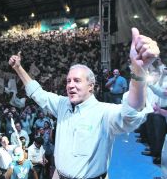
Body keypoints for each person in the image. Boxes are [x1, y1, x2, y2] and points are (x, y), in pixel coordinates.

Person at [8, 28, 160, 178]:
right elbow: (37, 93)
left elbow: (131, 114)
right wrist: (18, 68)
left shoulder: (104, 112)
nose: (70, 85)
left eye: (77, 81)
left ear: (91, 86)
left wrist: (138, 73)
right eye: (68, 81)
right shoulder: (62, 104)